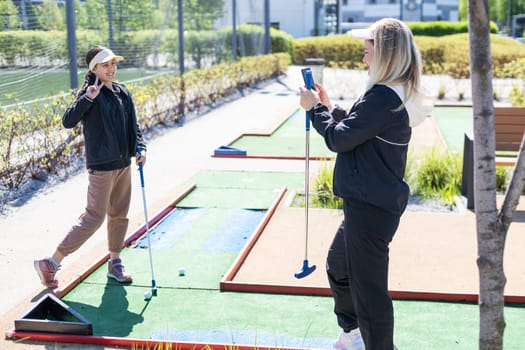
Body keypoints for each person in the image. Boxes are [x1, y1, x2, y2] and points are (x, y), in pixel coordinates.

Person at [299, 18, 433, 350]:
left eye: (367, 51)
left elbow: (339, 140)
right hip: (365, 204)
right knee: (338, 266)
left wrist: (315, 110)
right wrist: (330, 108)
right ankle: (353, 333)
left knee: (369, 294)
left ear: (385, 54)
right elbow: (360, 129)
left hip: (371, 209)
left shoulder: (385, 97)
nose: (364, 58)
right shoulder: (385, 95)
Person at [34, 45, 147, 289]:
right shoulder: (90, 93)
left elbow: (134, 126)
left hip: (123, 164)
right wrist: (88, 98)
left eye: (113, 64)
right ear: (94, 68)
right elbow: (68, 121)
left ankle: (115, 262)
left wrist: (140, 148)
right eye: (105, 65)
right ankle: (51, 263)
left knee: (119, 215)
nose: (111, 69)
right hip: (101, 166)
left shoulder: (122, 92)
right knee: (94, 218)